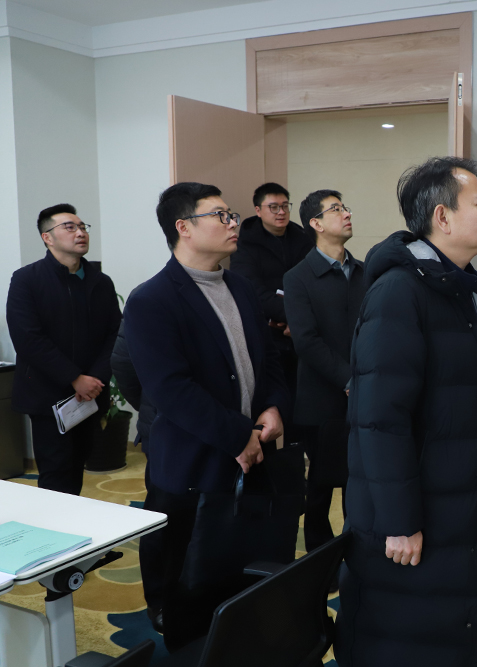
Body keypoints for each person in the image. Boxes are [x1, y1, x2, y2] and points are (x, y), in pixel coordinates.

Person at [336, 157, 477, 666]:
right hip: (413, 511)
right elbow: (379, 419)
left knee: (444, 626)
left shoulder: (456, 286)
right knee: (403, 633)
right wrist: (399, 519)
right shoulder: (400, 292)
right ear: (442, 217)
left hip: (452, 497)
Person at [123, 182, 290, 651]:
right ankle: (179, 630)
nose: (233, 223)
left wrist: (273, 406)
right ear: (184, 227)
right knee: (186, 566)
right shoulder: (152, 299)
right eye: (220, 215)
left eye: (231, 214)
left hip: (251, 449)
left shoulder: (239, 286)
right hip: (193, 457)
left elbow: (268, 360)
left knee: (240, 562)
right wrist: (240, 435)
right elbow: (172, 390)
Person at [6, 204, 120, 496]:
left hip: (90, 395)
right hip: (47, 395)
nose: (80, 233)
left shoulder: (100, 282)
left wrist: (95, 378)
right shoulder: (27, 279)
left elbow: (115, 334)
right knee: (56, 475)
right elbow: (28, 339)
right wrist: (74, 378)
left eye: (82, 227)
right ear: (47, 237)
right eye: (70, 227)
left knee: (78, 465)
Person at [283, 189, 366, 551]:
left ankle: (357, 552)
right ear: (315, 223)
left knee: (359, 482)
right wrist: (348, 379)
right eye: (336, 209)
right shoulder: (298, 277)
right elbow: (306, 341)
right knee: (319, 487)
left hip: (366, 393)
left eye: (345, 207)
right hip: (322, 399)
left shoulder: (365, 272)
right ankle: (320, 559)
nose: (346, 213)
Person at [229, 182, 312, 439]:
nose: (281, 212)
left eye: (285, 206)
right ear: (258, 210)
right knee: (272, 406)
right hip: (268, 335)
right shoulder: (244, 243)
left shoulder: (303, 238)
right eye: (273, 207)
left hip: (301, 337)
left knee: (303, 410)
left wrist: (298, 321)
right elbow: (253, 292)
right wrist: (294, 318)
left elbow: (312, 287)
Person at [110, 282, 165, 633]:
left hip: (225, 432)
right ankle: (160, 601)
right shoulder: (151, 296)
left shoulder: (236, 290)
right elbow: (124, 363)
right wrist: (152, 408)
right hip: (167, 432)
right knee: (164, 517)